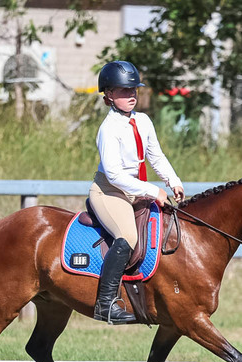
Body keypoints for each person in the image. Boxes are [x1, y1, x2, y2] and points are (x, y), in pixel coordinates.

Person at [90, 60, 185, 324]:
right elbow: (114, 175)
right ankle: (105, 304)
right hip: (110, 192)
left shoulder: (143, 121)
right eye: (124, 90)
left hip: (136, 189)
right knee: (128, 236)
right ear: (109, 94)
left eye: (134, 89)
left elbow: (156, 156)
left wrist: (173, 181)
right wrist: (153, 191)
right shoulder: (108, 129)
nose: (131, 94)